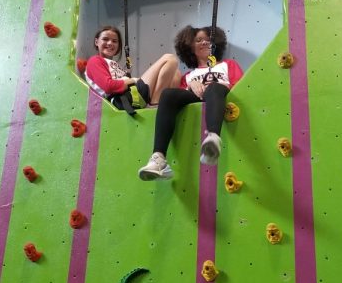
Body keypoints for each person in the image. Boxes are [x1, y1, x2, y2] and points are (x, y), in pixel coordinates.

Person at [138, 25, 243, 180]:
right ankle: (158, 158)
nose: (204, 43)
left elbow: (240, 87)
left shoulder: (228, 65)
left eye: (208, 39)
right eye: (199, 40)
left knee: (214, 88)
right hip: (196, 97)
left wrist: (220, 85)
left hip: (219, 95)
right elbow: (179, 98)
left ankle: (213, 140)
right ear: (190, 47)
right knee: (167, 94)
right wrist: (190, 85)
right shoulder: (188, 75)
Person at [85, 25, 180, 110]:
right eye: (105, 39)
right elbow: (108, 86)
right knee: (169, 59)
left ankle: (158, 104)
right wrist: (133, 80)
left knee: (176, 74)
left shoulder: (112, 63)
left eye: (114, 41)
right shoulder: (95, 60)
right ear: (96, 42)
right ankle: (154, 104)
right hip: (122, 98)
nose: (110, 43)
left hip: (131, 94)